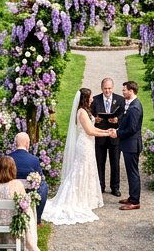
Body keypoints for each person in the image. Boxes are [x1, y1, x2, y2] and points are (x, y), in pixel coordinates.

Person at [43, 88, 113, 225]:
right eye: (90, 97)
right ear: (85, 98)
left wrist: (106, 130)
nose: (92, 99)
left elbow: (93, 128)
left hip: (88, 144)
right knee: (81, 169)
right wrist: (107, 133)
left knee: (88, 168)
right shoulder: (81, 112)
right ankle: (78, 198)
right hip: (84, 144)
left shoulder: (86, 111)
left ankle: (86, 197)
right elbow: (90, 131)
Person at [0, 155, 41, 251]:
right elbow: (24, 203)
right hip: (12, 223)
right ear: (13, 169)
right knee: (29, 210)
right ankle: (29, 242)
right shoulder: (17, 184)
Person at [90, 78, 125, 196]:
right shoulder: (95, 100)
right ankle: (100, 186)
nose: (107, 91)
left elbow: (124, 117)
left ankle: (115, 187)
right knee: (100, 162)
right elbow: (90, 116)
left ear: (113, 88)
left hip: (114, 136)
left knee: (115, 162)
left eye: (109, 88)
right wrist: (96, 119)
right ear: (101, 88)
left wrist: (117, 120)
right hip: (100, 136)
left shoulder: (120, 100)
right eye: (105, 88)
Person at [114, 81, 144, 211]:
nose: (123, 92)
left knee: (133, 173)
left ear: (131, 91)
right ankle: (132, 197)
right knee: (131, 172)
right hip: (128, 144)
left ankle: (135, 201)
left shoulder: (135, 107)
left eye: (125, 90)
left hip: (131, 145)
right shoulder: (131, 104)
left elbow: (131, 129)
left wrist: (117, 133)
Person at [9, 131, 48, 223]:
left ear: (16, 143)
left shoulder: (8, 157)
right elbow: (40, 177)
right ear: (27, 144)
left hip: (11, 188)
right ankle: (37, 219)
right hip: (28, 190)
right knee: (44, 186)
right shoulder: (33, 159)